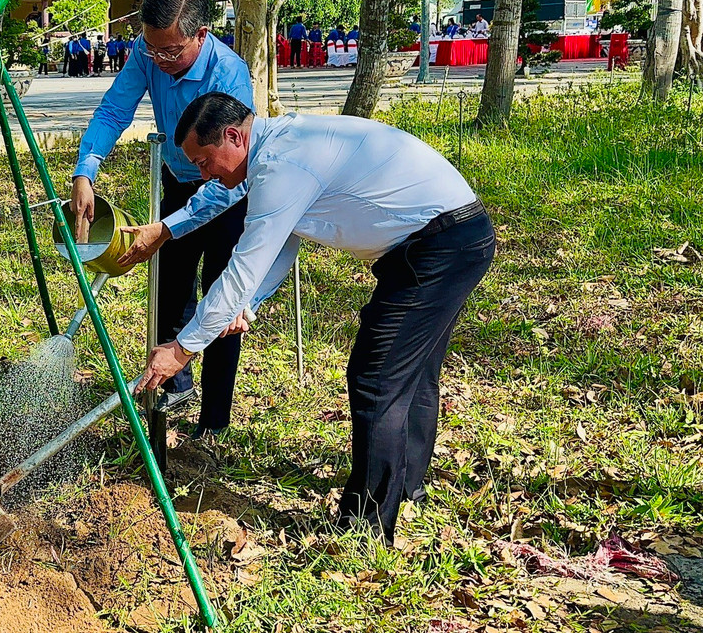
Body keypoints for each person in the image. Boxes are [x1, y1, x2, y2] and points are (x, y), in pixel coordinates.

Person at [135, 92, 495, 544]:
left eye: (205, 162)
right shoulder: (280, 150)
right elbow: (282, 244)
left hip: (440, 245)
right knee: (410, 371)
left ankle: (366, 526)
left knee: (377, 377)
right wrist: (247, 304)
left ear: (233, 137)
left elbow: (245, 263)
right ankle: (405, 488)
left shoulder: (282, 164)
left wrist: (183, 347)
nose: (205, 175)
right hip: (445, 239)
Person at [72, 0, 255, 440]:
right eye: (151, 49)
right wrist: (86, 171)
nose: (158, 60)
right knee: (169, 291)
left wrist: (168, 227)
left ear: (201, 35)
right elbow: (114, 110)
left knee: (222, 304)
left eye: (170, 52)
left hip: (228, 191)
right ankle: (174, 388)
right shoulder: (148, 51)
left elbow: (232, 170)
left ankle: (214, 421)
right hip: (178, 182)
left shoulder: (228, 74)